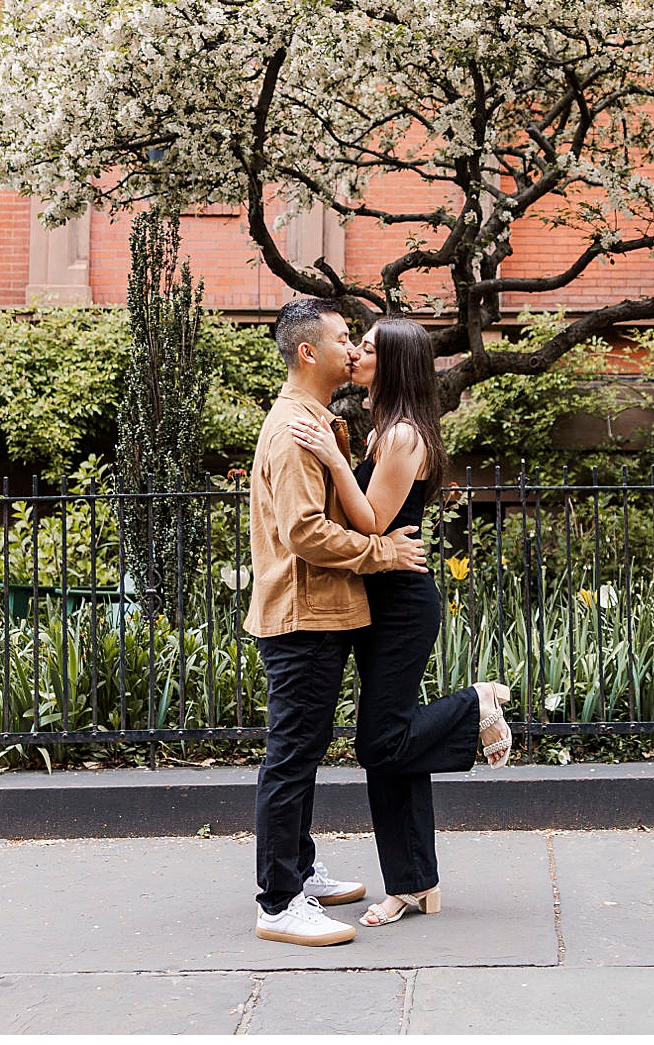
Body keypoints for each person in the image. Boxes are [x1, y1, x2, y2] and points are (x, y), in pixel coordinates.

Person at [288, 316, 514, 929]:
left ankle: (477, 703)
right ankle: (414, 885)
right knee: (395, 753)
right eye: (354, 344)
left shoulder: (404, 436)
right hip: (378, 602)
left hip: (403, 605)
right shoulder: (383, 430)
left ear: (396, 363)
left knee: (379, 742)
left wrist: (334, 461)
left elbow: (373, 524)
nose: (356, 353)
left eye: (368, 347)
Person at [246, 297, 429, 948]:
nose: (352, 348)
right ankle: (278, 900)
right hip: (305, 617)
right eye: (344, 337)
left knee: (303, 751)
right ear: (308, 352)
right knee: (292, 757)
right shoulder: (296, 430)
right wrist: (383, 551)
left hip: (320, 613)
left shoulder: (315, 421)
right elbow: (303, 532)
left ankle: (298, 870)